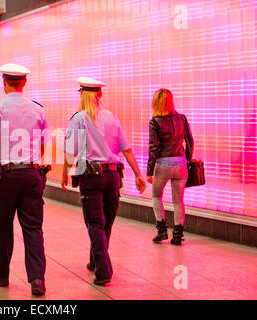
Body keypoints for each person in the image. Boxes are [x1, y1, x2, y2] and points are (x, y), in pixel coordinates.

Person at [0, 63, 50, 296]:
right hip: (33, 174)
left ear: (4, 82)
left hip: (5, 176)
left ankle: (0, 276)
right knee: (33, 228)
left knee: (2, 226)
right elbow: (44, 143)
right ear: (24, 83)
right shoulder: (38, 109)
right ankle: (37, 280)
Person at [61, 77, 146, 285]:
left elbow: (70, 152)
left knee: (95, 223)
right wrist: (138, 174)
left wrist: (64, 173)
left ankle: (103, 271)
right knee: (106, 222)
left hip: (91, 177)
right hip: (113, 176)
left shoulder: (78, 118)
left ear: (83, 94)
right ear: (99, 95)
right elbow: (126, 149)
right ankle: (94, 261)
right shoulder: (111, 117)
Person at [146, 88, 194, 245]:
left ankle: (161, 231)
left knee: (155, 196)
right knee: (178, 201)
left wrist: (149, 171)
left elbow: (153, 148)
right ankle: (178, 235)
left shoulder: (155, 122)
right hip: (181, 163)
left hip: (163, 164)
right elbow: (190, 142)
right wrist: (187, 159)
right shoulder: (182, 118)